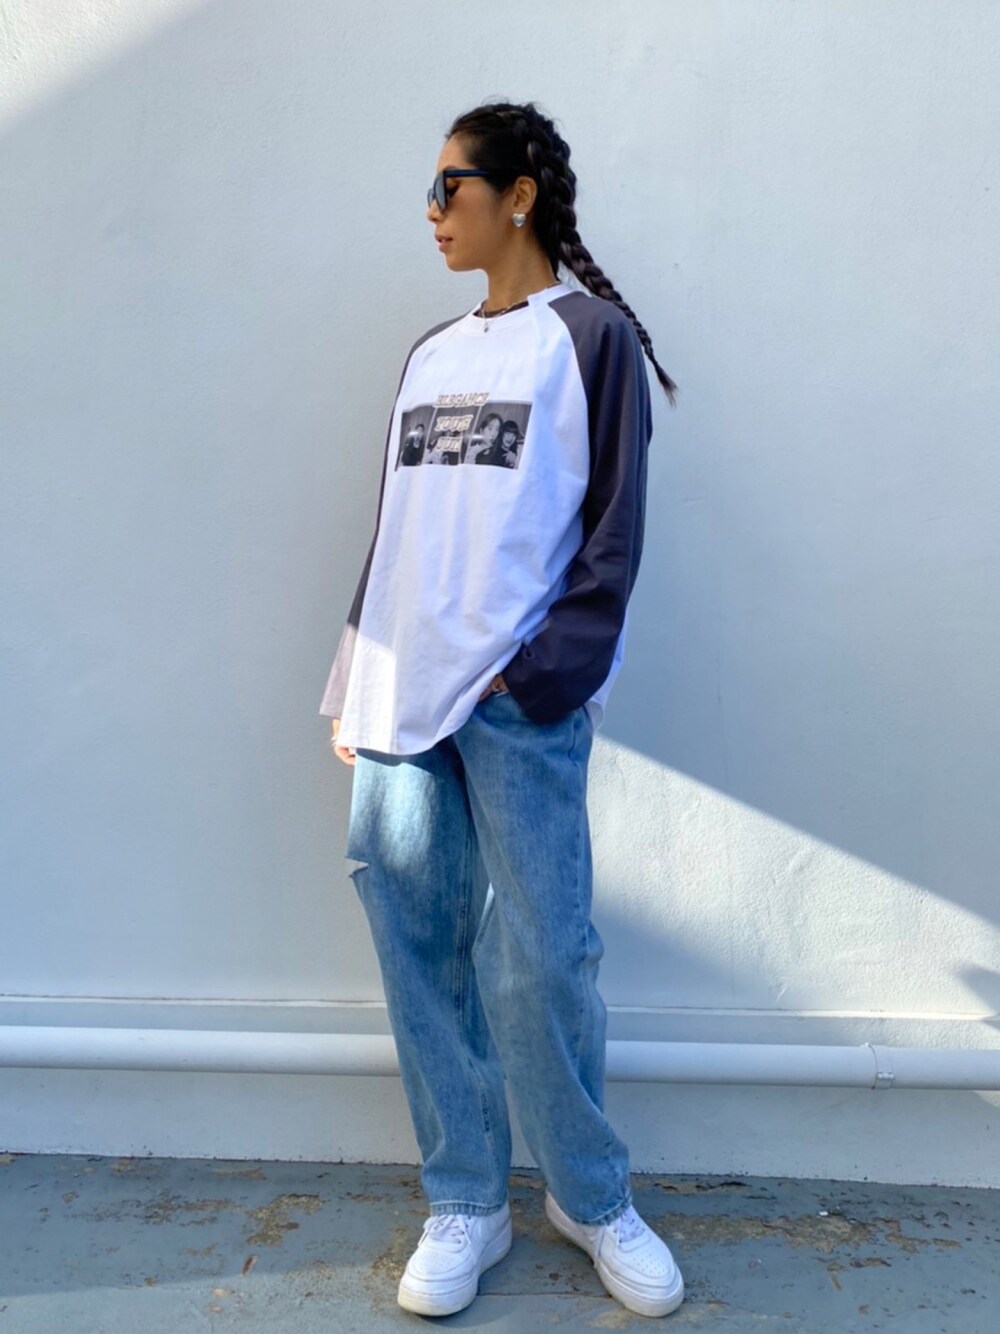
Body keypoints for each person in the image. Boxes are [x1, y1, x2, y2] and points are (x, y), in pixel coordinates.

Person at [320, 100, 681, 1319]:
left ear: (517, 194)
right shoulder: (430, 354)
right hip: (400, 698)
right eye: (428, 191)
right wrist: (354, 676)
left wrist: (539, 678)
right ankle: (465, 1196)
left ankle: (587, 1192)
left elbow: (612, 534)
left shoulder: (591, 339)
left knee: (544, 957)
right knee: (418, 952)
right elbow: (401, 532)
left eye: (450, 187)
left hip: (516, 700)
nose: (431, 211)